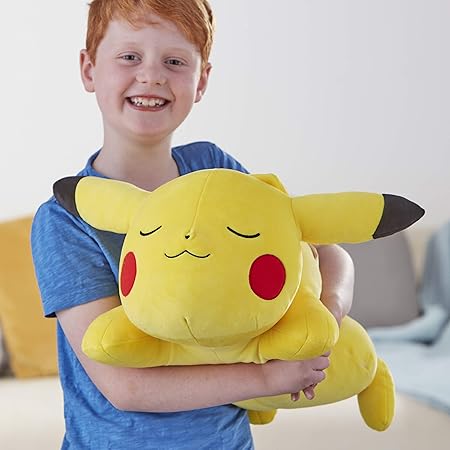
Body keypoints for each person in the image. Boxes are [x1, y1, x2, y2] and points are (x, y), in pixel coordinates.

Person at [31, 1, 354, 448]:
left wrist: (326, 317)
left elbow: (327, 252)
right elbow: (125, 387)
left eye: (175, 61)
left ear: (201, 80)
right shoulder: (66, 219)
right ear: (89, 69)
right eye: (129, 56)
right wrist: (268, 377)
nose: (151, 75)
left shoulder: (215, 172)